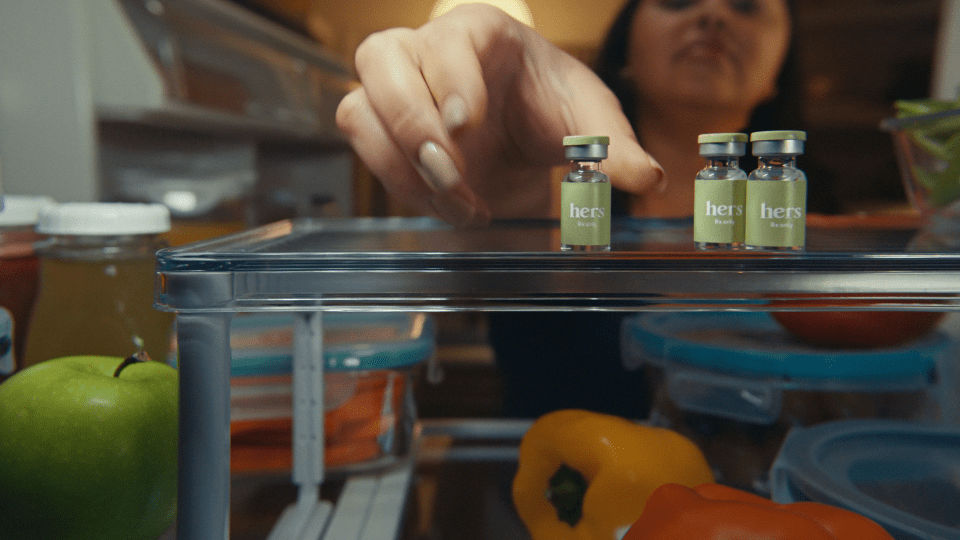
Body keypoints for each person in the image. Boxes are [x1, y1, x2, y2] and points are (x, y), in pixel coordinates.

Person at [336, 0, 816, 417]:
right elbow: (494, 243)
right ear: (626, 51)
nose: (712, 14)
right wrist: (485, 173)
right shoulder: (554, 185)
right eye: (677, 0)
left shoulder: (812, 215)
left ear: (780, 71)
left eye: (746, 4)